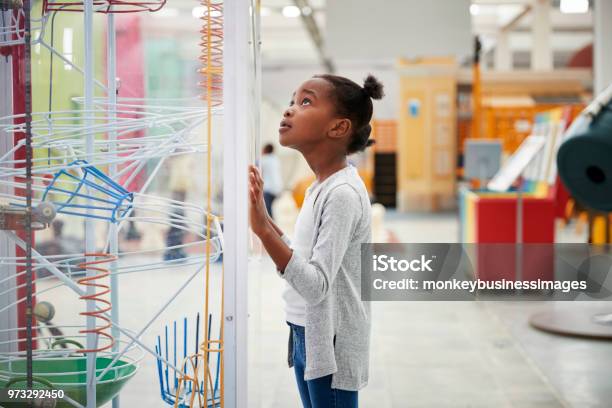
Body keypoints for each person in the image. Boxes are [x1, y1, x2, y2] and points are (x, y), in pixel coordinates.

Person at [249, 74, 384, 408]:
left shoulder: (341, 194)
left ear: (338, 128)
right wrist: (264, 220)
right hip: (305, 330)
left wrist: (265, 233)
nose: (290, 110)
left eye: (305, 102)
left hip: (330, 343)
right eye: (293, 100)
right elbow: (304, 255)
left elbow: (316, 285)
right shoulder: (320, 186)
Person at [260, 143, 282, 219]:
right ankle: (272, 223)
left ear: (265, 150)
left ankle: (270, 225)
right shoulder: (275, 159)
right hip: (277, 188)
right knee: (269, 208)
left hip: (268, 189)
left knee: (267, 209)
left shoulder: (264, 160)